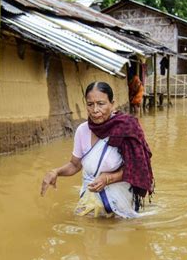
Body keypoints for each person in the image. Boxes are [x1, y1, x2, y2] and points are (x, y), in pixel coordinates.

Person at [40, 82, 154, 219]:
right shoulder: (82, 130)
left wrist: (108, 179)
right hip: (90, 198)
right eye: (90, 104)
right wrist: (56, 172)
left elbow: (138, 168)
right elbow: (75, 165)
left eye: (101, 104)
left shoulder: (126, 128)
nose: (95, 110)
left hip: (121, 200)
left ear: (112, 104)